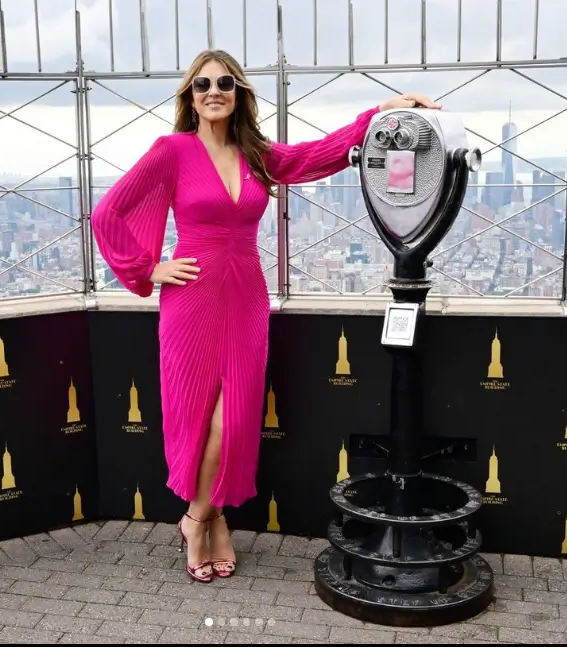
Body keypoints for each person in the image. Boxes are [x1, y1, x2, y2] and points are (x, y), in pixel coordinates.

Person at [91, 48, 440, 583]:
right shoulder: (171, 150)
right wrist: (148, 269)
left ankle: (199, 518)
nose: (214, 91)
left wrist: (379, 114)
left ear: (238, 94)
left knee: (234, 420)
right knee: (202, 416)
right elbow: (107, 210)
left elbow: (317, 156)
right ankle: (211, 521)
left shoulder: (255, 153)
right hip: (192, 299)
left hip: (247, 296)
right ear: (190, 95)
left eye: (225, 83)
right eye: (203, 84)